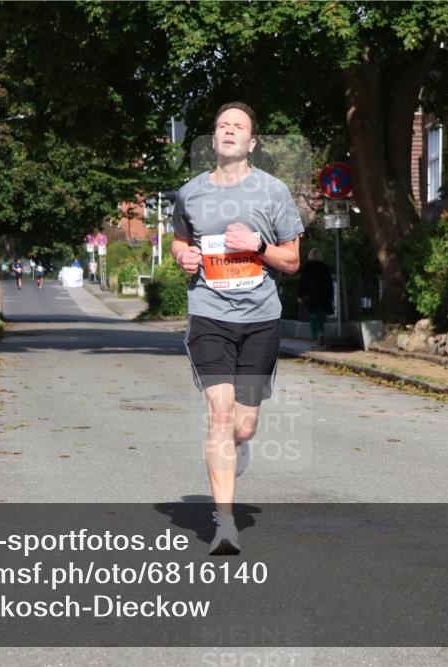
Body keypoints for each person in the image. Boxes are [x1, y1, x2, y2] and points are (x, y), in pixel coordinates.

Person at [171, 101, 303, 555]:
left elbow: (292, 260)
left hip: (260, 319)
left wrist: (257, 245)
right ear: (213, 140)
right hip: (209, 314)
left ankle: (238, 445)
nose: (229, 131)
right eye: (222, 125)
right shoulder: (190, 194)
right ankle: (224, 523)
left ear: (252, 142)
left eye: (238, 126)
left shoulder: (274, 192)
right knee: (221, 415)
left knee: (243, 426)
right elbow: (179, 241)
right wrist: (183, 256)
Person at [297, 247, 334, 347]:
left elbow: (302, 282)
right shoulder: (324, 267)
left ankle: (315, 338)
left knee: (313, 316)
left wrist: (300, 295)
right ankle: (321, 334)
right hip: (323, 295)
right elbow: (329, 283)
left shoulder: (307, 266)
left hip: (311, 295)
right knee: (321, 315)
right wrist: (331, 296)